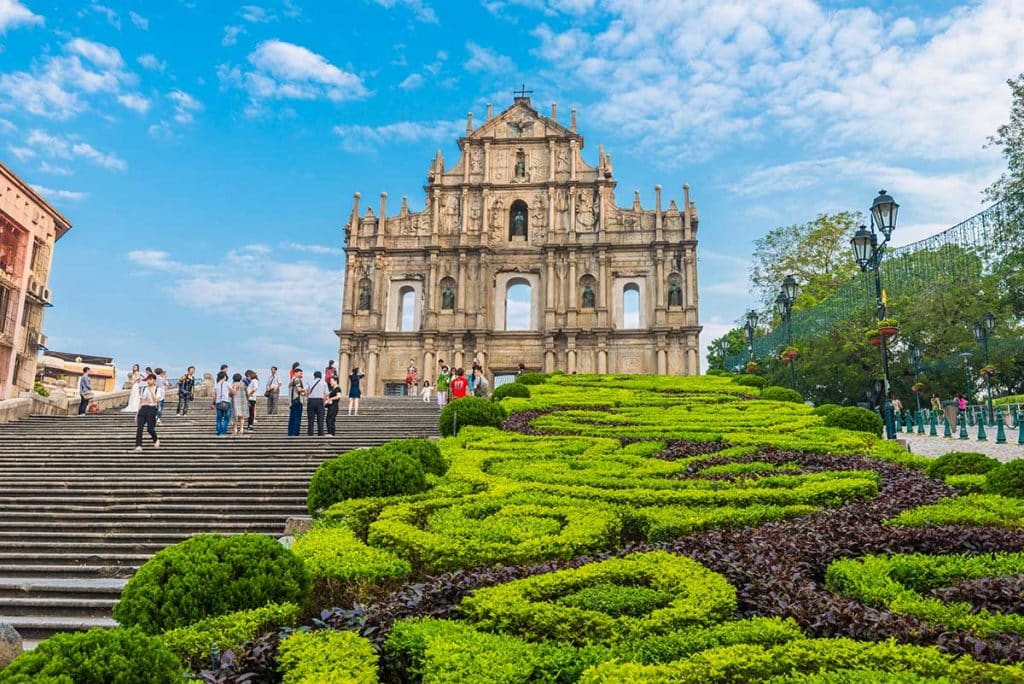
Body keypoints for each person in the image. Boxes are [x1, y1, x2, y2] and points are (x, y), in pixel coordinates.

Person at [135, 373, 161, 451]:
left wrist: (151, 390)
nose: (148, 381)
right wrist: (137, 413)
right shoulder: (143, 389)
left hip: (151, 409)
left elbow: (156, 400)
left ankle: (155, 439)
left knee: (150, 429)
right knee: (139, 428)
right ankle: (138, 445)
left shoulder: (157, 389)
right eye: (148, 379)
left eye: (150, 379)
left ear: (154, 381)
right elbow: (141, 401)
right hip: (143, 409)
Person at [306, 370, 327, 436]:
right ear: (321, 376)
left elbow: (307, 392)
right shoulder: (324, 383)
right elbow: (326, 394)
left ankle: (310, 433)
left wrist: (308, 399)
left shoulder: (310, 382)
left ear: (314, 376)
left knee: (311, 419)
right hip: (320, 401)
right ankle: (320, 433)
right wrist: (323, 401)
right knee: (320, 419)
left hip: (311, 400)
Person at [288, 368, 305, 436]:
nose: (301, 375)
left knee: (292, 418)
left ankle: (290, 432)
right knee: (297, 418)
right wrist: (305, 390)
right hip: (297, 401)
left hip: (291, 402)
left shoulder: (291, 381)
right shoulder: (297, 380)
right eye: (300, 373)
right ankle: (295, 433)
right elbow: (298, 389)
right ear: (295, 373)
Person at [214, 371, 231, 436]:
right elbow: (232, 391)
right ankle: (222, 432)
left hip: (218, 402)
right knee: (226, 418)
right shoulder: (227, 384)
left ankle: (218, 431)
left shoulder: (216, 385)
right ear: (224, 377)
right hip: (226, 402)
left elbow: (214, 395)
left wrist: (213, 403)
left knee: (219, 418)